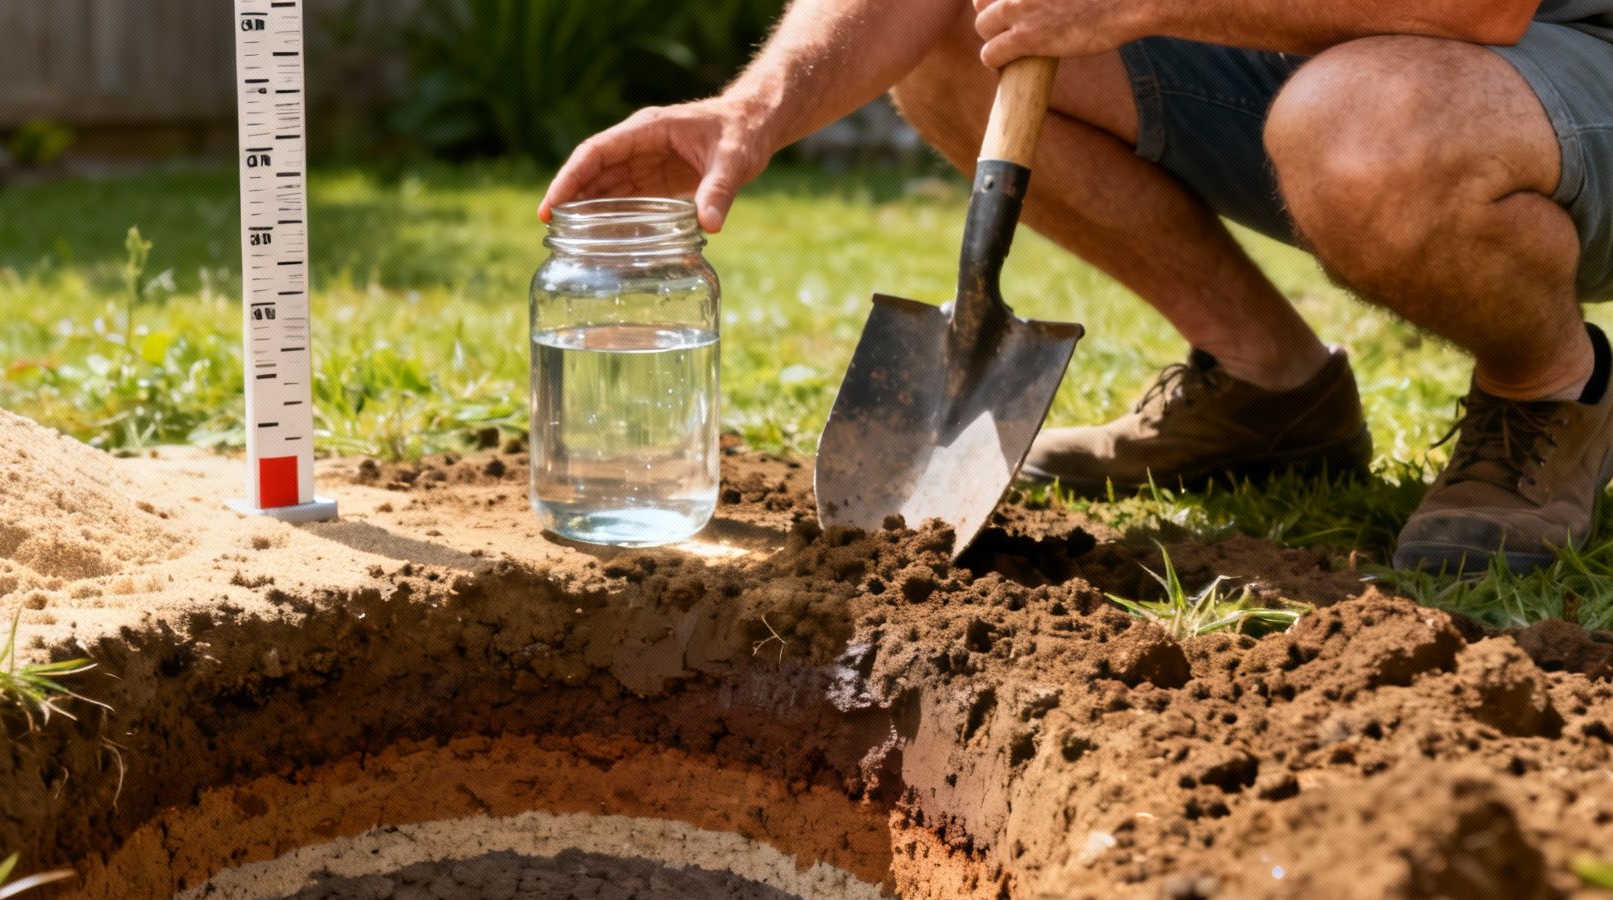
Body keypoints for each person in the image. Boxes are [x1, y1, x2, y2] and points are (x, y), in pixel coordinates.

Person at [540, 0, 1613, 576]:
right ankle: (1267, 388)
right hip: (1340, 53)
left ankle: (1545, 390)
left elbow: (1473, 2)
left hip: (1555, 54)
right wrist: (751, 111)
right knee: (973, 36)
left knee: (1360, 127)